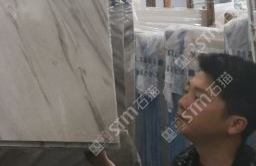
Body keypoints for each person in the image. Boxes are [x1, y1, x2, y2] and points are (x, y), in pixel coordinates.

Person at [87, 52, 256, 166]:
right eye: (186, 91)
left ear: (235, 124)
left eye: (199, 98)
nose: (182, 102)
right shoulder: (185, 160)